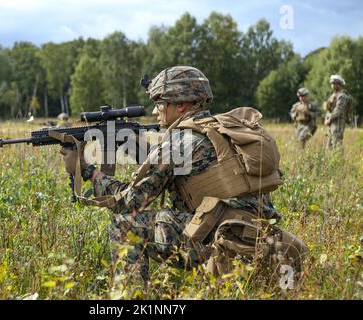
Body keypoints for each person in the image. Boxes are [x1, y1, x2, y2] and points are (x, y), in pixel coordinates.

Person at [60, 66, 308, 282]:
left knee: (126, 224)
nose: (156, 112)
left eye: (159, 104)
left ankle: (128, 298)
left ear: (180, 105)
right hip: (259, 237)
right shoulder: (220, 130)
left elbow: (129, 203)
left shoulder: (178, 143)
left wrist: (87, 170)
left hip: (226, 244)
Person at [324, 75, 351, 149]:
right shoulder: (333, 95)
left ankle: (339, 160)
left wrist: (329, 119)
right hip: (332, 123)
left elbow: (338, 110)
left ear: (339, 84)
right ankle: (330, 160)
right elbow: (329, 109)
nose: (332, 85)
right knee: (329, 147)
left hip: (338, 123)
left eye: (334, 83)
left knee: (337, 145)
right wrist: (326, 118)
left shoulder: (342, 96)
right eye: (332, 83)